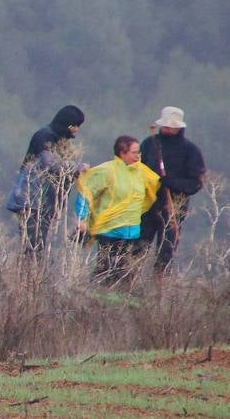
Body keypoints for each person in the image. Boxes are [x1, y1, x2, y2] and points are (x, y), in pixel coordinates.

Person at [73, 135, 160, 285]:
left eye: (139, 152)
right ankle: (93, 297)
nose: (138, 156)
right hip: (109, 231)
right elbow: (86, 191)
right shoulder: (107, 171)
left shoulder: (142, 171)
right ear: (122, 153)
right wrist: (82, 218)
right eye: (134, 152)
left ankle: (119, 304)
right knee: (105, 268)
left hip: (132, 232)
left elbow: (157, 184)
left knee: (125, 272)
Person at [138, 106, 206, 271]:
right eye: (165, 126)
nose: (167, 129)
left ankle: (159, 288)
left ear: (179, 127)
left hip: (174, 207)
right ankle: (128, 284)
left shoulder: (191, 151)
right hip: (147, 204)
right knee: (138, 247)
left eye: (171, 127)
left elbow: (196, 183)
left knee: (165, 251)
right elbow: (136, 169)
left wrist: (172, 183)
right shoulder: (149, 143)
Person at [19, 105, 87, 255]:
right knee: (34, 247)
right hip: (34, 200)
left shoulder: (59, 140)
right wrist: (76, 167)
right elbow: (49, 164)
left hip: (45, 202)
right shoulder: (45, 136)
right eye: (74, 125)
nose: (76, 129)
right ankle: (30, 277)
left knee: (39, 246)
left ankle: (33, 275)